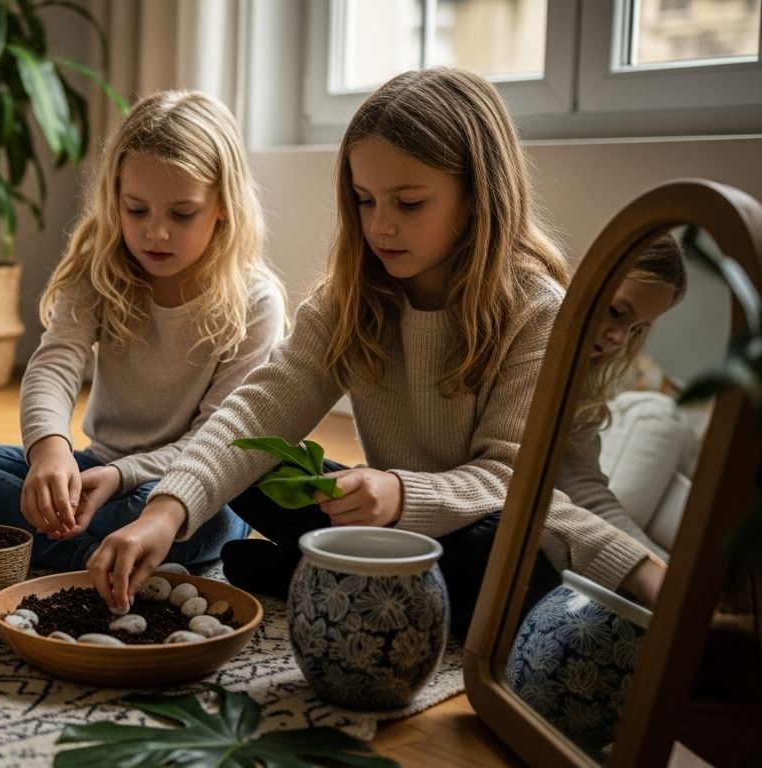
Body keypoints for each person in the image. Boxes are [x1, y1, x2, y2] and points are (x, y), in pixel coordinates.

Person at [85, 68, 666, 638]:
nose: (381, 226)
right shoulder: (353, 294)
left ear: (477, 195)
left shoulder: (539, 308)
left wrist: (402, 494)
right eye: (364, 201)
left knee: (505, 560)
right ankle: (356, 583)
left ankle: (309, 574)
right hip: (383, 514)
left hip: (473, 524)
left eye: (408, 203)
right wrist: (163, 513)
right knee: (254, 460)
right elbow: (258, 409)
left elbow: (508, 476)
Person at [0, 91, 287, 572]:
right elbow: (55, 364)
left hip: (192, 483)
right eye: (137, 210)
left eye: (181, 214)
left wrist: (122, 476)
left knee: (191, 518)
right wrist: (50, 451)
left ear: (223, 204)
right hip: (97, 470)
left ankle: (88, 546)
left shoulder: (255, 301)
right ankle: (114, 554)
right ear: (115, 198)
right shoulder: (103, 267)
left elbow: (217, 440)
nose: (156, 233)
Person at [559, 234, 689, 560]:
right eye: (616, 311)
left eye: (636, 329)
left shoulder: (582, 388)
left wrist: (664, 571)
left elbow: (587, 492)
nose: (619, 338)